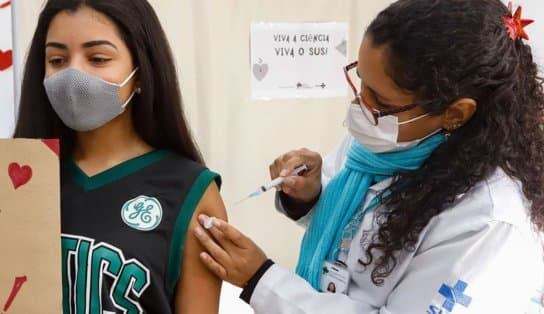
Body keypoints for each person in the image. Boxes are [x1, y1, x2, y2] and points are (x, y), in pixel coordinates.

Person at [193, 0, 544, 313]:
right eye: (360, 81)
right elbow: (356, 225)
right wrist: (312, 195)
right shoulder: (386, 142)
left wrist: (261, 281)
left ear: (455, 114)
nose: (360, 106)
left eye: (381, 101)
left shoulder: (487, 221)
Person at [13, 0, 226, 313]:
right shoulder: (19, 179)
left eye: (98, 58)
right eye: (57, 59)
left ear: (141, 71)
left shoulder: (191, 191)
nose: (73, 76)